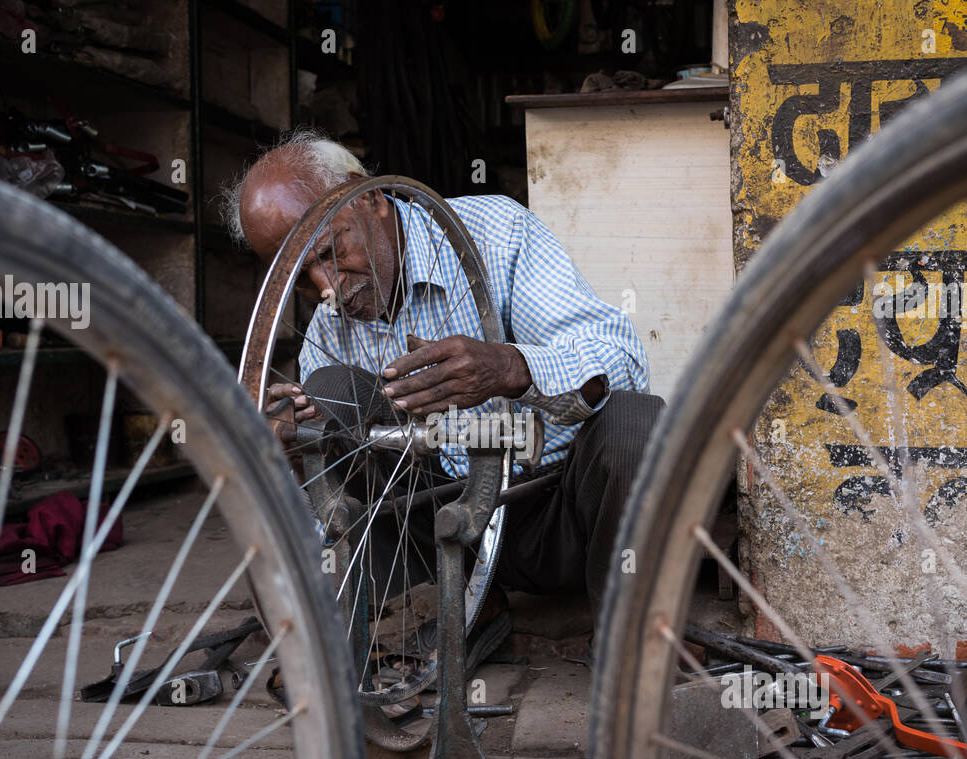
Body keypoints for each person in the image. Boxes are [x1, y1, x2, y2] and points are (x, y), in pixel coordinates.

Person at [228, 129, 662, 651]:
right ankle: (465, 613)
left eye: (331, 251)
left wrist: (511, 366)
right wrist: (295, 457)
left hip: (558, 512)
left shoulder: (495, 230)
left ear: (369, 198)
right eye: (301, 278)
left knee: (636, 423)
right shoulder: (325, 327)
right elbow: (326, 498)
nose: (326, 289)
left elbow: (621, 360)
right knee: (327, 398)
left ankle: (629, 638)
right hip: (445, 534)